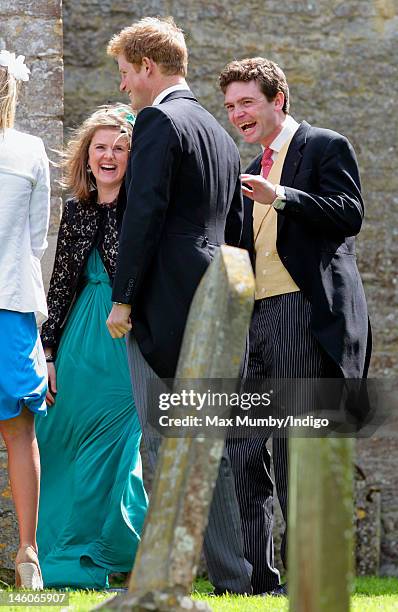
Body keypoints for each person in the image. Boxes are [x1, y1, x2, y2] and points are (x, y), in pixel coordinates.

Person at [106, 17, 253, 595]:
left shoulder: (158, 119)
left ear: (147, 67)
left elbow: (142, 213)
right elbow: (236, 225)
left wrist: (123, 297)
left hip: (165, 301)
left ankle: (168, 573)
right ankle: (234, 576)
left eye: (124, 73)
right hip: (215, 294)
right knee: (202, 435)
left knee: (161, 435)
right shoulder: (216, 131)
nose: (123, 87)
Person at [219, 57, 371, 595]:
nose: (238, 113)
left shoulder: (324, 145)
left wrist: (281, 195)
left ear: (277, 99)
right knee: (239, 442)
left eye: (247, 103)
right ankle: (259, 581)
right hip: (256, 318)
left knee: (293, 449)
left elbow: (348, 212)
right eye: (232, 105)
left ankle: (309, 574)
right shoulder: (248, 165)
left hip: (304, 316)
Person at [36, 104, 148, 589]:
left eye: (120, 148)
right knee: (58, 439)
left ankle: (115, 554)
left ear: (132, 157)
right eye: (100, 147)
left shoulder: (143, 208)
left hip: (126, 340)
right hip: (80, 337)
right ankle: (56, 554)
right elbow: (60, 284)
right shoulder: (77, 208)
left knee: (122, 449)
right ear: (87, 155)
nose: (109, 155)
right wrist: (50, 354)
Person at [0, 49, 50, 589]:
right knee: (19, 434)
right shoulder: (32, 149)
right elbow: (37, 237)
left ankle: (29, 553)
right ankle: (27, 555)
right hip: (11, 299)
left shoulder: (30, 149)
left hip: (9, 302)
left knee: (19, 433)